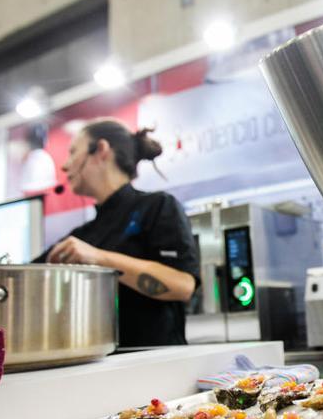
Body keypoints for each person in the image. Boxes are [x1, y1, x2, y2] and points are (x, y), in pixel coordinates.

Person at [35, 118, 200, 347]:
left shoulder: (157, 207)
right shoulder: (83, 234)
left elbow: (182, 286)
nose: (65, 166)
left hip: (154, 367)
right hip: (97, 369)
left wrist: (98, 258)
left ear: (101, 149)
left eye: (73, 153)